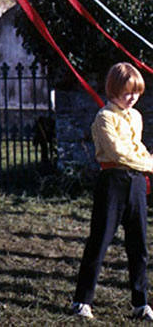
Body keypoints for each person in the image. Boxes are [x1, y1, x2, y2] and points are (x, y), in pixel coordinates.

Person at [71, 63, 153, 321]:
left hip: (137, 183)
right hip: (113, 181)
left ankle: (141, 303)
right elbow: (119, 152)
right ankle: (82, 300)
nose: (132, 98)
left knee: (138, 244)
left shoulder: (135, 117)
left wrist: (144, 164)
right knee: (100, 241)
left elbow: (137, 147)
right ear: (113, 90)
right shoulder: (104, 117)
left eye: (136, 93)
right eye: (127, 92)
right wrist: (151, 163)